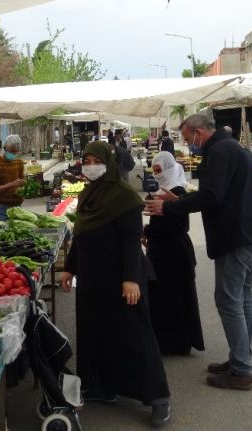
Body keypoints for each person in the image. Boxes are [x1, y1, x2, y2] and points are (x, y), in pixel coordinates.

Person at [144, 114, 252, 391]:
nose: (189, 145)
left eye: (189, 139)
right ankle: (240, 359)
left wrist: (169, 207)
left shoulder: (220, 152)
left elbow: (211, 196)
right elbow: (218, 194)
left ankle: (242, 369)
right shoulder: (232, 147)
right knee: (243, 299)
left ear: (199, 133)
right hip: (251, 233)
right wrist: (179, 199)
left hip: (236, 237)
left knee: (229, 300)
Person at [60, 141, 171, 427]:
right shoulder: (88, 195)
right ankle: (101, 386)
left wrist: (131, 279)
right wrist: (70, 269)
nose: (90, 164)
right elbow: (81, 234)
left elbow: (131, 242)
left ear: (109, 162)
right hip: (92, 279)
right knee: (95, 331)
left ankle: (157, 398)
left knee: (134, 335)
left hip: (122, 279)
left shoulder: (124, 197)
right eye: (86, 159)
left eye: (96, 159)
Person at [144, 152, 204, 355]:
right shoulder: (165, 190)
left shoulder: (178, 191)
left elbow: (171, 225)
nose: (157, 174)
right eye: (154, 170)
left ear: (169, 168)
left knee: (177, 299)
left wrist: (145, 232)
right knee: (164, 299)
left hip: (174, 252)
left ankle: (177, 343)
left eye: (160, 170)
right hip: (162, 251)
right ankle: (166, 342)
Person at [0, 134, 25, 221]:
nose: (14, 154)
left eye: (16, 152)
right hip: (0, 207)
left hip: (17, 207)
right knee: (0, 232)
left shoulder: (19, 163)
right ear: (5, 148)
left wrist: (22, 184)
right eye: (12, 151)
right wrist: (12, 184)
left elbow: (22, 183)